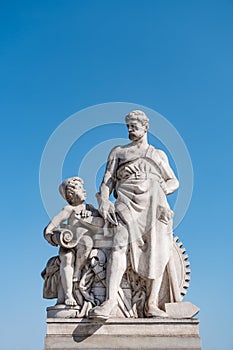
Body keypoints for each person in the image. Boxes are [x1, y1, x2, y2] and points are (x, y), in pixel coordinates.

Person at [89, 110, 180, 319]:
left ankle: (151, 304)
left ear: (145, 127)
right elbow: (107, 181)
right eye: (128, 125)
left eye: (134, 125)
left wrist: (161, 190)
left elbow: (174, 181)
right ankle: (110, 301)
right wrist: (103, 200)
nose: (130, 129)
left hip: (156, 204)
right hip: (126, 199)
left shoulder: (158, 154)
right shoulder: (119, 152)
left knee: (158, 249)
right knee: (119, 243)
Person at [44, 177, 97, 306]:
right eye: (80, 188)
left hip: (85, 245)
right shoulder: (69, 210)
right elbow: (49, 229)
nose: (84, 191)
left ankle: (77, 272)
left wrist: (93, 215)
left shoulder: (90, 209)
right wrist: (54, 237)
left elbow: (104, 221)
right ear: (71, 194)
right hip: (69, 244)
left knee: (87, 242)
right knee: (67, 258)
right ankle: (68, 294)